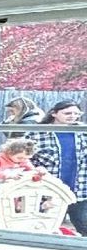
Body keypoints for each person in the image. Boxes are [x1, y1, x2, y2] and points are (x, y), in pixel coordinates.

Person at [28, 99, 87, 235]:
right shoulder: (37, 133)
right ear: (54, 113)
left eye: (76, 113)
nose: (72, 116)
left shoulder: (83, 132)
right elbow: (23, 158)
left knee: (84, 225)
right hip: (47, 190)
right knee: (43, 226)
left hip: (80, 190)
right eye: (67, 113)